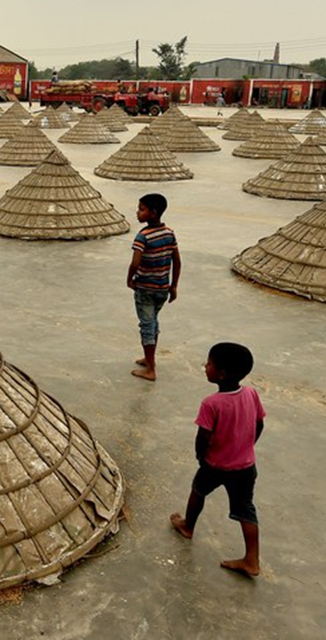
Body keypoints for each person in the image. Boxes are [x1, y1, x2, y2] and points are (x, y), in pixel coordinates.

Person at [170, 342, 264, 578]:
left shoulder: (211, 403)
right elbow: (259, 423)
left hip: (215, 465)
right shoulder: (251, 394)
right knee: (246, 510)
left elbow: (203, 435)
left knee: (198, 491)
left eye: (209, 364)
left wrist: (201, 457)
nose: (205, 366)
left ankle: (188, 526)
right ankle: (252, 559)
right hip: (245, 466)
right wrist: (247, 446)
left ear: (221, 373)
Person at [127, 193, 180, 381]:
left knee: (147, 326)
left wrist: (129, 279)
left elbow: (135, 263)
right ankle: (149, 358)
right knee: (153, 322)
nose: (137, 212)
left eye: (141, 209)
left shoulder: (143, 236)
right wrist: (173, 286)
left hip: (145, 289)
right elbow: (177, 260)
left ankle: (150, 370)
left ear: (153, 213)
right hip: (162, 289)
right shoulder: (169, 233)